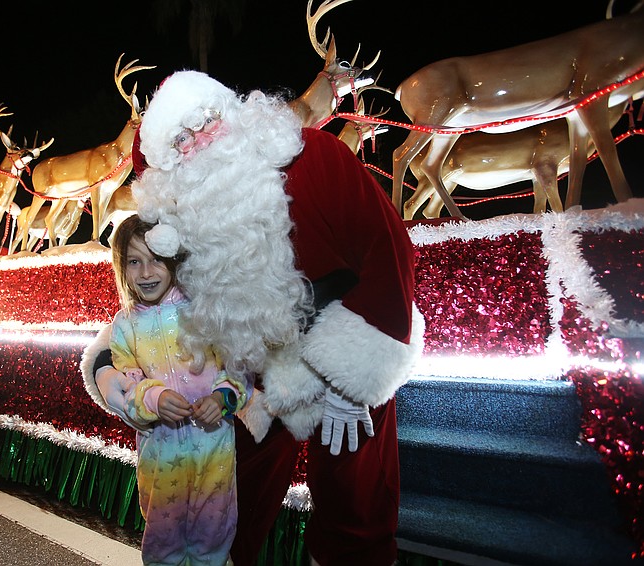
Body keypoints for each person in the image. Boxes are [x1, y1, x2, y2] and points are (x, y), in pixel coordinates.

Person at [82, 70, 424, 566]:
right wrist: (106, 365)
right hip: (250, 379)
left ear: (235, 112)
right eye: (181, 139)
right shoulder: (177, 226)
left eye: (208, 120)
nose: (201, 139)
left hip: (344, 346)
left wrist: (359, 376)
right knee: (229, 490)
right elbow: (152, 307)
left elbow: (387, 248)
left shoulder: (315, 158)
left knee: (355, 501)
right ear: (168, 166)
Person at [93, 213, 250, 566]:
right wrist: (153, 398)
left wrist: (222, 397)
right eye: (134, 262)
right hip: (160, 459)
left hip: (215, 454)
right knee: (163, 544)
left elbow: (238, 370)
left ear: (174, 260)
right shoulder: (124, 325)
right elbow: (126, 383)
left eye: (156, 260)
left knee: (214, 536)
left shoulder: (204, 311)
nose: (146, 273)